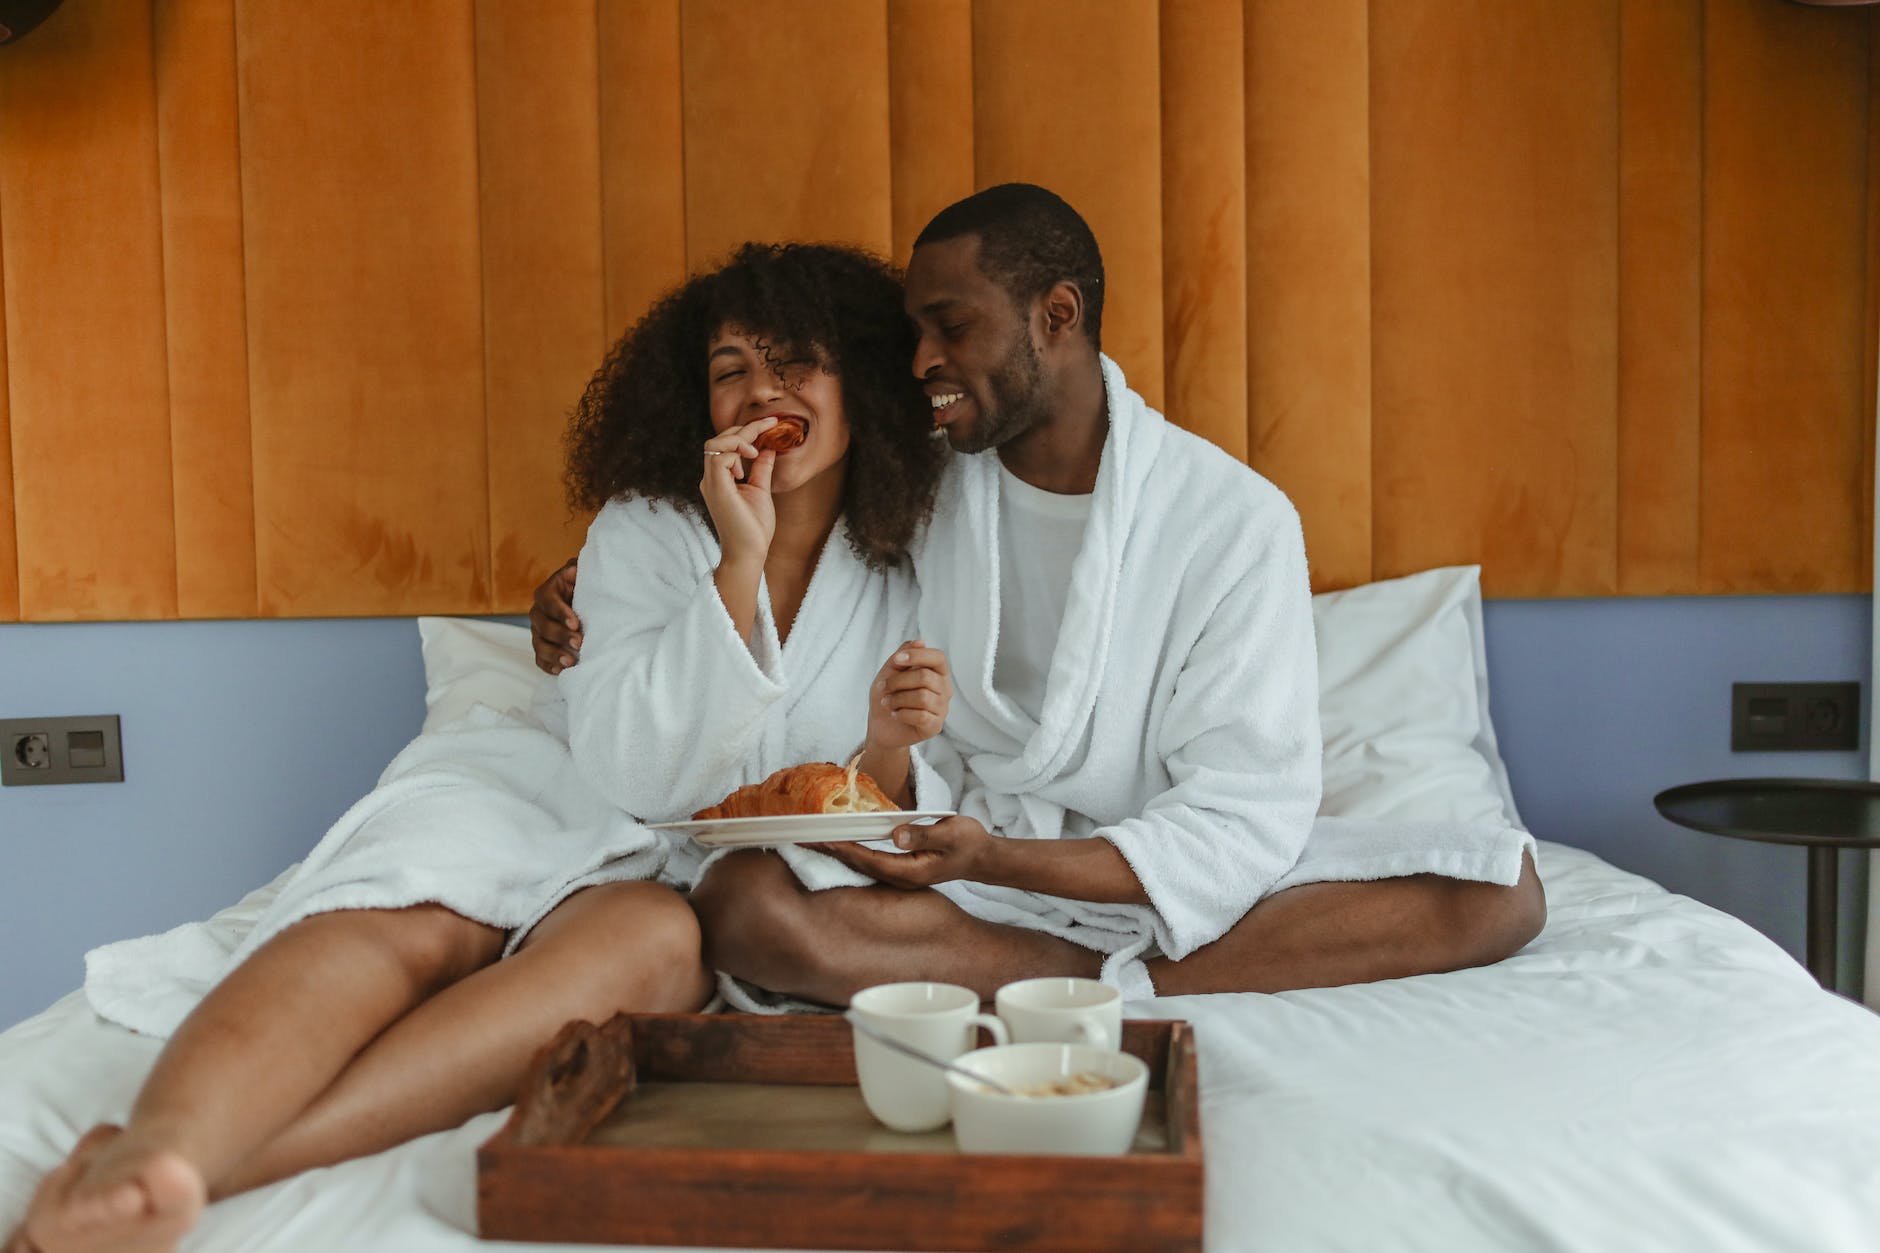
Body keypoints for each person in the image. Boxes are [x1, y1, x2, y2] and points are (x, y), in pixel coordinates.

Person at [10, 241, 951, 1253]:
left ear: (858, 381)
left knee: (660, 947)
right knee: (407, 916)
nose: (760, 390)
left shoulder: (903, 561)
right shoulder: (643, 529)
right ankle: (159, 1144)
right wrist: (738, 558)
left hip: (678, 873)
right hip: (542, 789)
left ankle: (200, 1176)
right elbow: (633, 768)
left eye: (793, 361)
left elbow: (858, 793)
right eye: (731, 370)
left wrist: (888, 740)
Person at [535, 185, 1546, 1007]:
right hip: (955, 865)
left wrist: (1015, 862)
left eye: (949, 327)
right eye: (912, 335)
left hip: (1139, 867)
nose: (921, 362)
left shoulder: (1231, 521)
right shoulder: (922, 483)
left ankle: (1103, 978)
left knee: (1498, 891)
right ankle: (1114, 982)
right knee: (746, 899)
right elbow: (772, 548)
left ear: (1053, 316)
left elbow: (1242, 817)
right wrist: (592, 586)